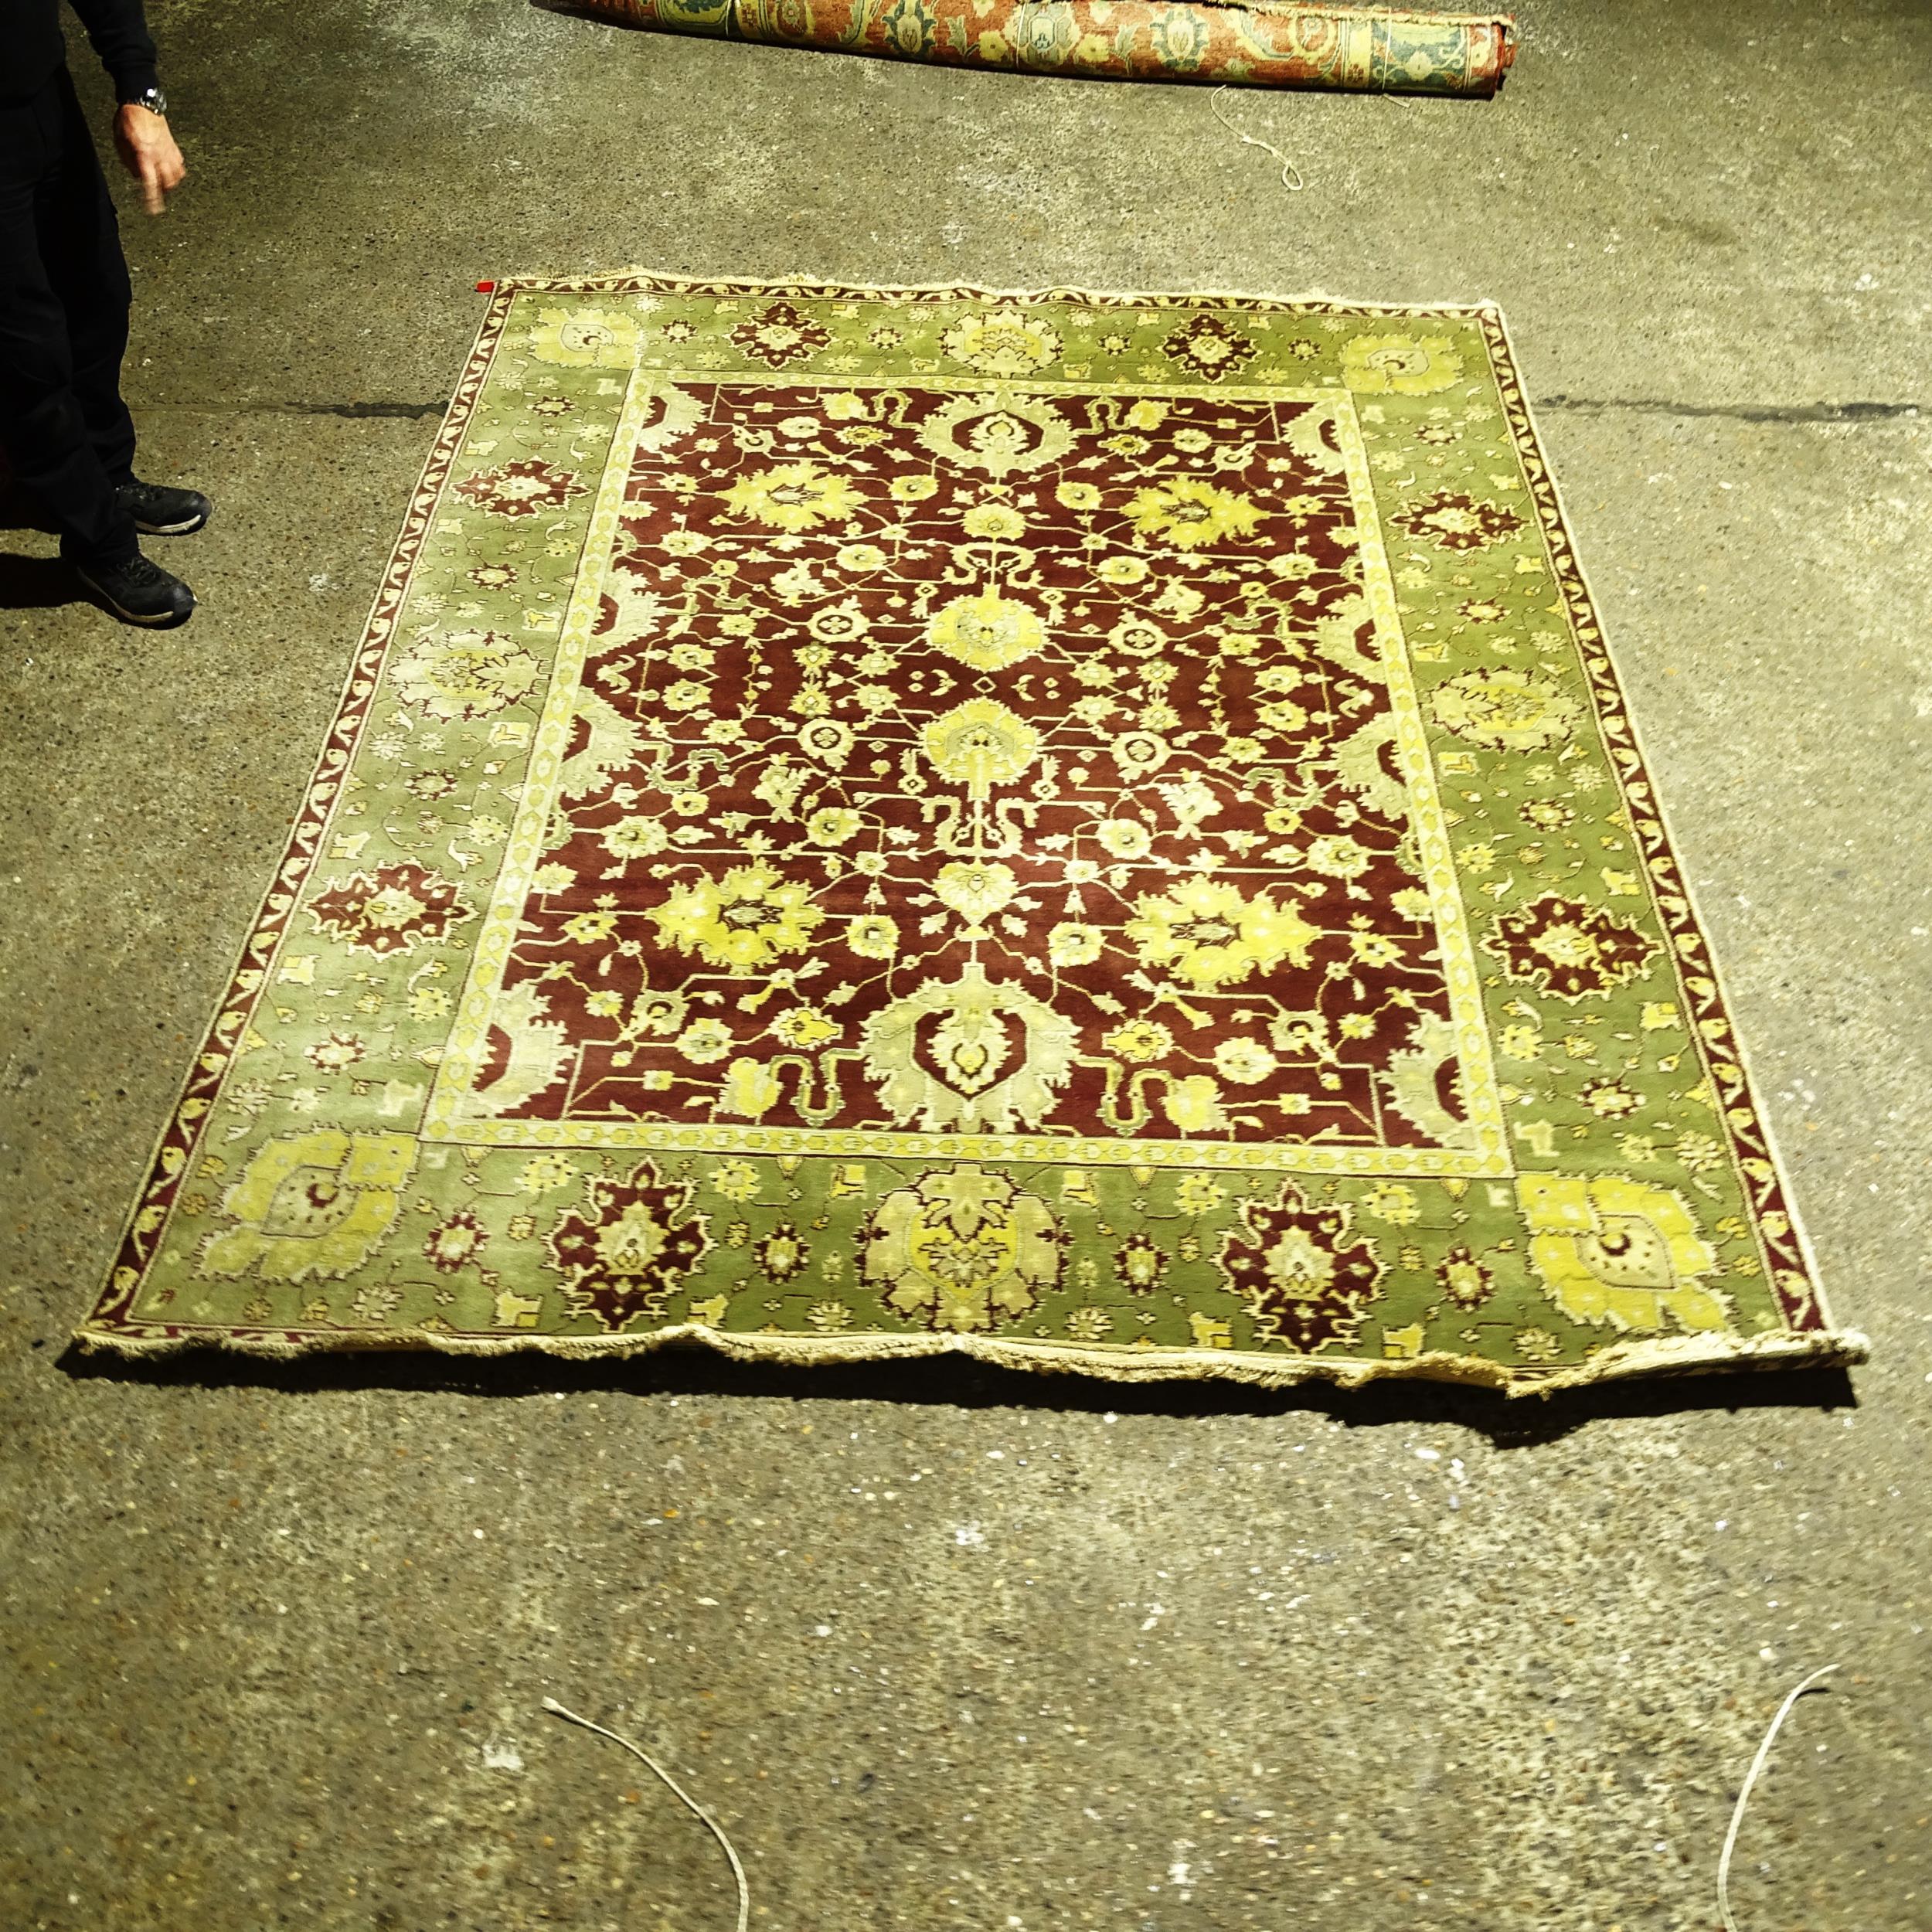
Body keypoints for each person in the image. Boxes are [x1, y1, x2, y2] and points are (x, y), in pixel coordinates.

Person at [1, 0, 208, 627]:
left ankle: (108, 476)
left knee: (97, 298)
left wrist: (139, 90)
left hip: (41, 98)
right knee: (25, 357)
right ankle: (100, 542)